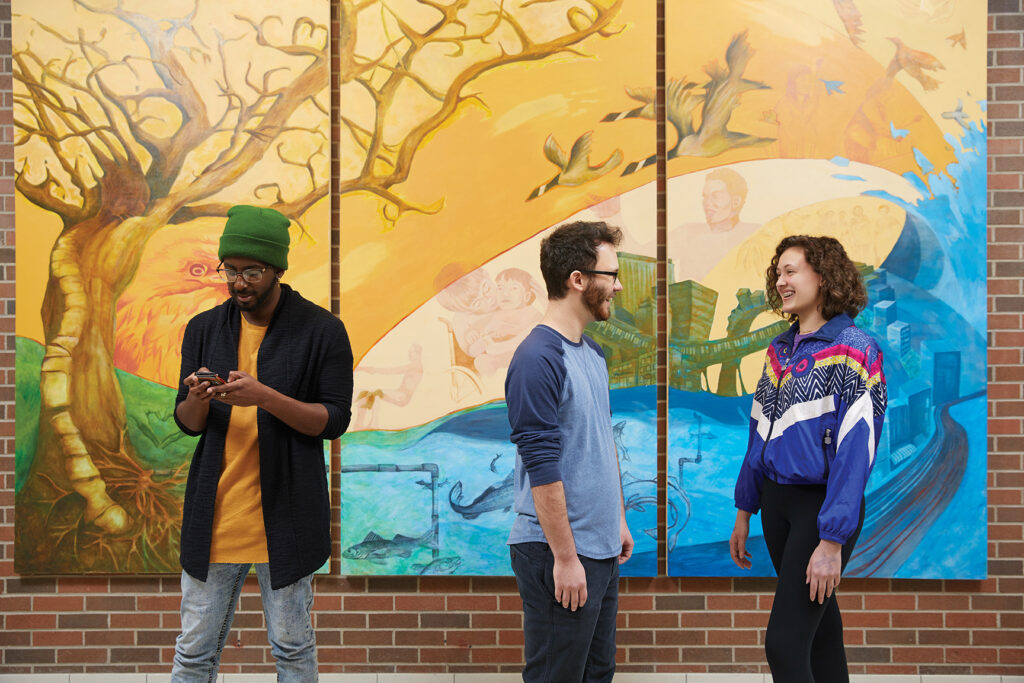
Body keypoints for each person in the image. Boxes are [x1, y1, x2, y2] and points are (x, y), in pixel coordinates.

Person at [171, 205, 354, 682]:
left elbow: (334, 420)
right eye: (230, 270)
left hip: (288, 518)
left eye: (252, 271)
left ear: (278, 269)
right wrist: (195, 396)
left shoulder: (322, 331)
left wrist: (265, 397)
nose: (238, 283)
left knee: (292, 650)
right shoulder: (204, 329)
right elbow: (189, 424)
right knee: (193, 652)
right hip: (216, 518)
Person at [729, 235, 887, 682]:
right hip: (776, 507)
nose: (781, 280)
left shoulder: (857, 350)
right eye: (778, 272)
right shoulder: (779, 350)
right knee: (819, 633)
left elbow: (857, 453)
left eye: (792, 270)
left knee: (783, 643)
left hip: (821, 510)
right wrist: (745, 509)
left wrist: (833, 539)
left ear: (824, 275)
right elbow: (758, 434)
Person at [505, 220, 635, 683]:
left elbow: (601, 442)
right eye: (611, 274)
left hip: (597, 548)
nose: (617, 286)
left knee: (597, 674)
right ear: (578, 280)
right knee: (557, 676)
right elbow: (542, 469)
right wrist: (565, 558)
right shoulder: (537, 358)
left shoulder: (592, 354)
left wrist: (616, 518)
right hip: (557, 553)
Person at [668, 167, 761, 281]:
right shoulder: (687, 233)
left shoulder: (755, 235)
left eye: (715, 196)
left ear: (735, 201)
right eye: (705, 197)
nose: (707, 203)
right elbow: (646, 254)